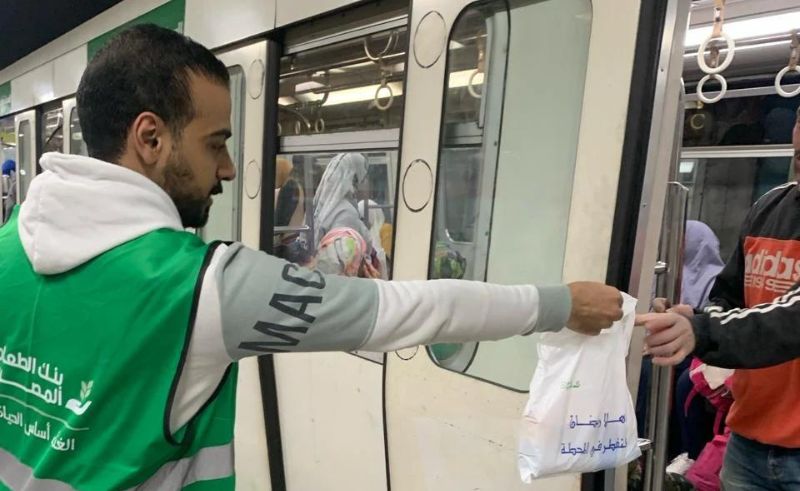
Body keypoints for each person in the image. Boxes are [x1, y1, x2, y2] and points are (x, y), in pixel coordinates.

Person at [0, 24, 624, 490]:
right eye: (215, 142)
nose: (225, 168)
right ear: (150, 137)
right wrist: (562, 303)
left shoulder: (8, 244)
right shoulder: (198, 288)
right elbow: (412, 310)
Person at [638, 107, 800, 491]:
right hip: (748, 438)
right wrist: (694, 315)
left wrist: (701, 329)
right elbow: (729, 296)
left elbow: (791, 317)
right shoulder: (768, 208)